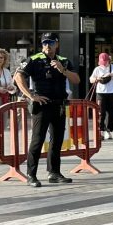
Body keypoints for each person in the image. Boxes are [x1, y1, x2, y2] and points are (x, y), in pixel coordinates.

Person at [14, 33, 79, 188]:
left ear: (57, 44)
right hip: (42, 106)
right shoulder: (34, 59)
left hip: (59, 105)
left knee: (56, 141)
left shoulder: (63, 60)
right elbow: (18, 77)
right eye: (44, 43)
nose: (47, 46)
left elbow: (76, 79)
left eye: (50, 43)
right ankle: (31, 175)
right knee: (37, 140)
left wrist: (63, 70)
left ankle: (54, 173)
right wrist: (30, 95)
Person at [89, 52, 113, 139]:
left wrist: (111, 74)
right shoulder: (97, 69)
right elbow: (91, 79)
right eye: (102, 62)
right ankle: (101, 131)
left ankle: (108, 130)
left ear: (109, 60)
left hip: (112, 92)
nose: (104, 64)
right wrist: (97, 78)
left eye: (105, 62)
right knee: (101, 113)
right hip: (101, 93)